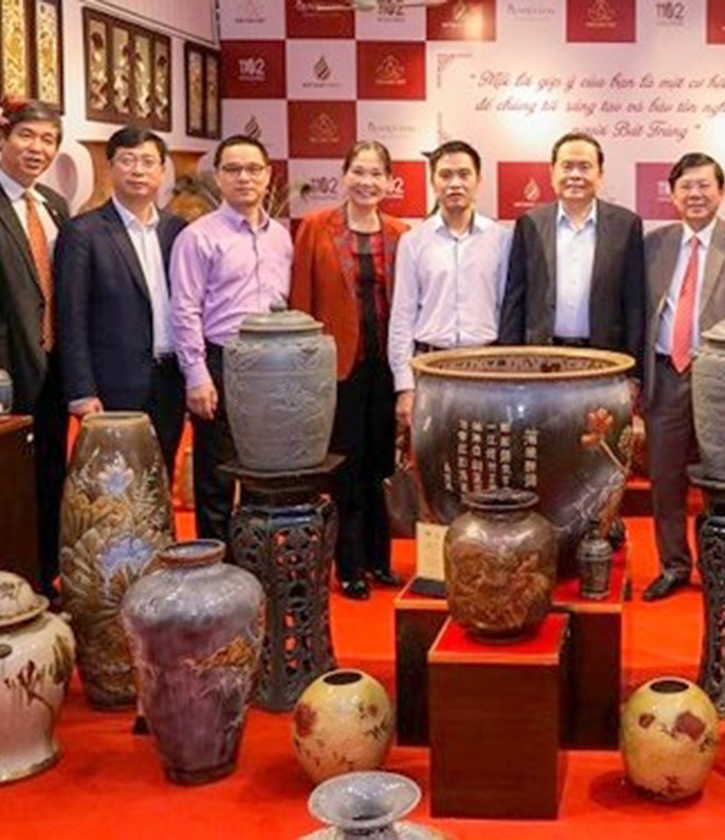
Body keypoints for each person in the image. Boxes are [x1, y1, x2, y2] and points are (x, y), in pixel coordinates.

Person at [641, 152, 725, 600]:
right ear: (673, 196)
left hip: (723, 381)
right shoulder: (653, 245)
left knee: (722, 480)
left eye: (704, 186)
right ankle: (673, 565)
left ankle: (723, 566)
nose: (695, 195)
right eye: (685, 187)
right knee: (665, 478)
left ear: (720, 193)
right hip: (665, 374)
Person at [291, 141, 410, 600]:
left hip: (387, 369)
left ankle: (380, 560)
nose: (367, 182)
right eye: (358, 172)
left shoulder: (401, 233)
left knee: (381, 465)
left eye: (377, 173)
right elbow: (301, 300)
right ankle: (350, 565)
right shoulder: (318, 227)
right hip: (336, 369)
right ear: (344, 176)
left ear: (390, 182)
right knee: (345, 468)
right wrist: (304, 369)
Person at [170, 135, 293, 544]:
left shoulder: (281, 236)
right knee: (217, 476)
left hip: (275, 365)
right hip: (222, 362)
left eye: (253, 169)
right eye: (233, 169)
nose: (244, 178)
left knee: (265, 469)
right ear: (218, 177)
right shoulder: (198, 236)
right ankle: (218, 572)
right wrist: (196, 375)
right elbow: (184, 310)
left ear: (268, 176)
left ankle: (258, 561)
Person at [0, 99, 72, 596]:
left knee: (50, 475)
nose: (38, 148)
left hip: (52, 366)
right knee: (2, 484)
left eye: (48, 139)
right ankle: (3, 584)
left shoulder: (54, 204)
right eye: (27, 136)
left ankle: (44, 574)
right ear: (3, 138)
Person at [55, 125, 187, 481]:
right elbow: (71, 317)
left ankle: (161, 540)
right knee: (114, 484)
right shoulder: (83, 232)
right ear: (110, 167)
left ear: (162, 171)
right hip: (113, 385)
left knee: (161, 478)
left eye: (148, 161)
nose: (138, 170)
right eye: (127, 160)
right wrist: (81, 391)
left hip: (170, 378)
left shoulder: (178, 231)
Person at [388, 140, 511, 435]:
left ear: (479, 181)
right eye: (445, 175)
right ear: (433, 182)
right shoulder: (413, 241)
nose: (455, 183)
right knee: (434, 464)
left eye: (464, 174)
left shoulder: (502, 238)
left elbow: (507, 310)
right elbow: (403, 317)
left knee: (485, 461)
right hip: (431, 368)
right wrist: (405, 386)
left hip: (487, 368)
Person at [499, 131, 646, 378]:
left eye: (585, 167)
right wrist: (509, 364)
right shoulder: (530, 223)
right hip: (541, 359)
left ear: (600, 175)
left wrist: (632, 374)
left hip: (604, 360)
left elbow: (634, 305)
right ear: (552, 173)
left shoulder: (626, 225)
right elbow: (515, 299)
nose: (575, 175)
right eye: (567, 166)